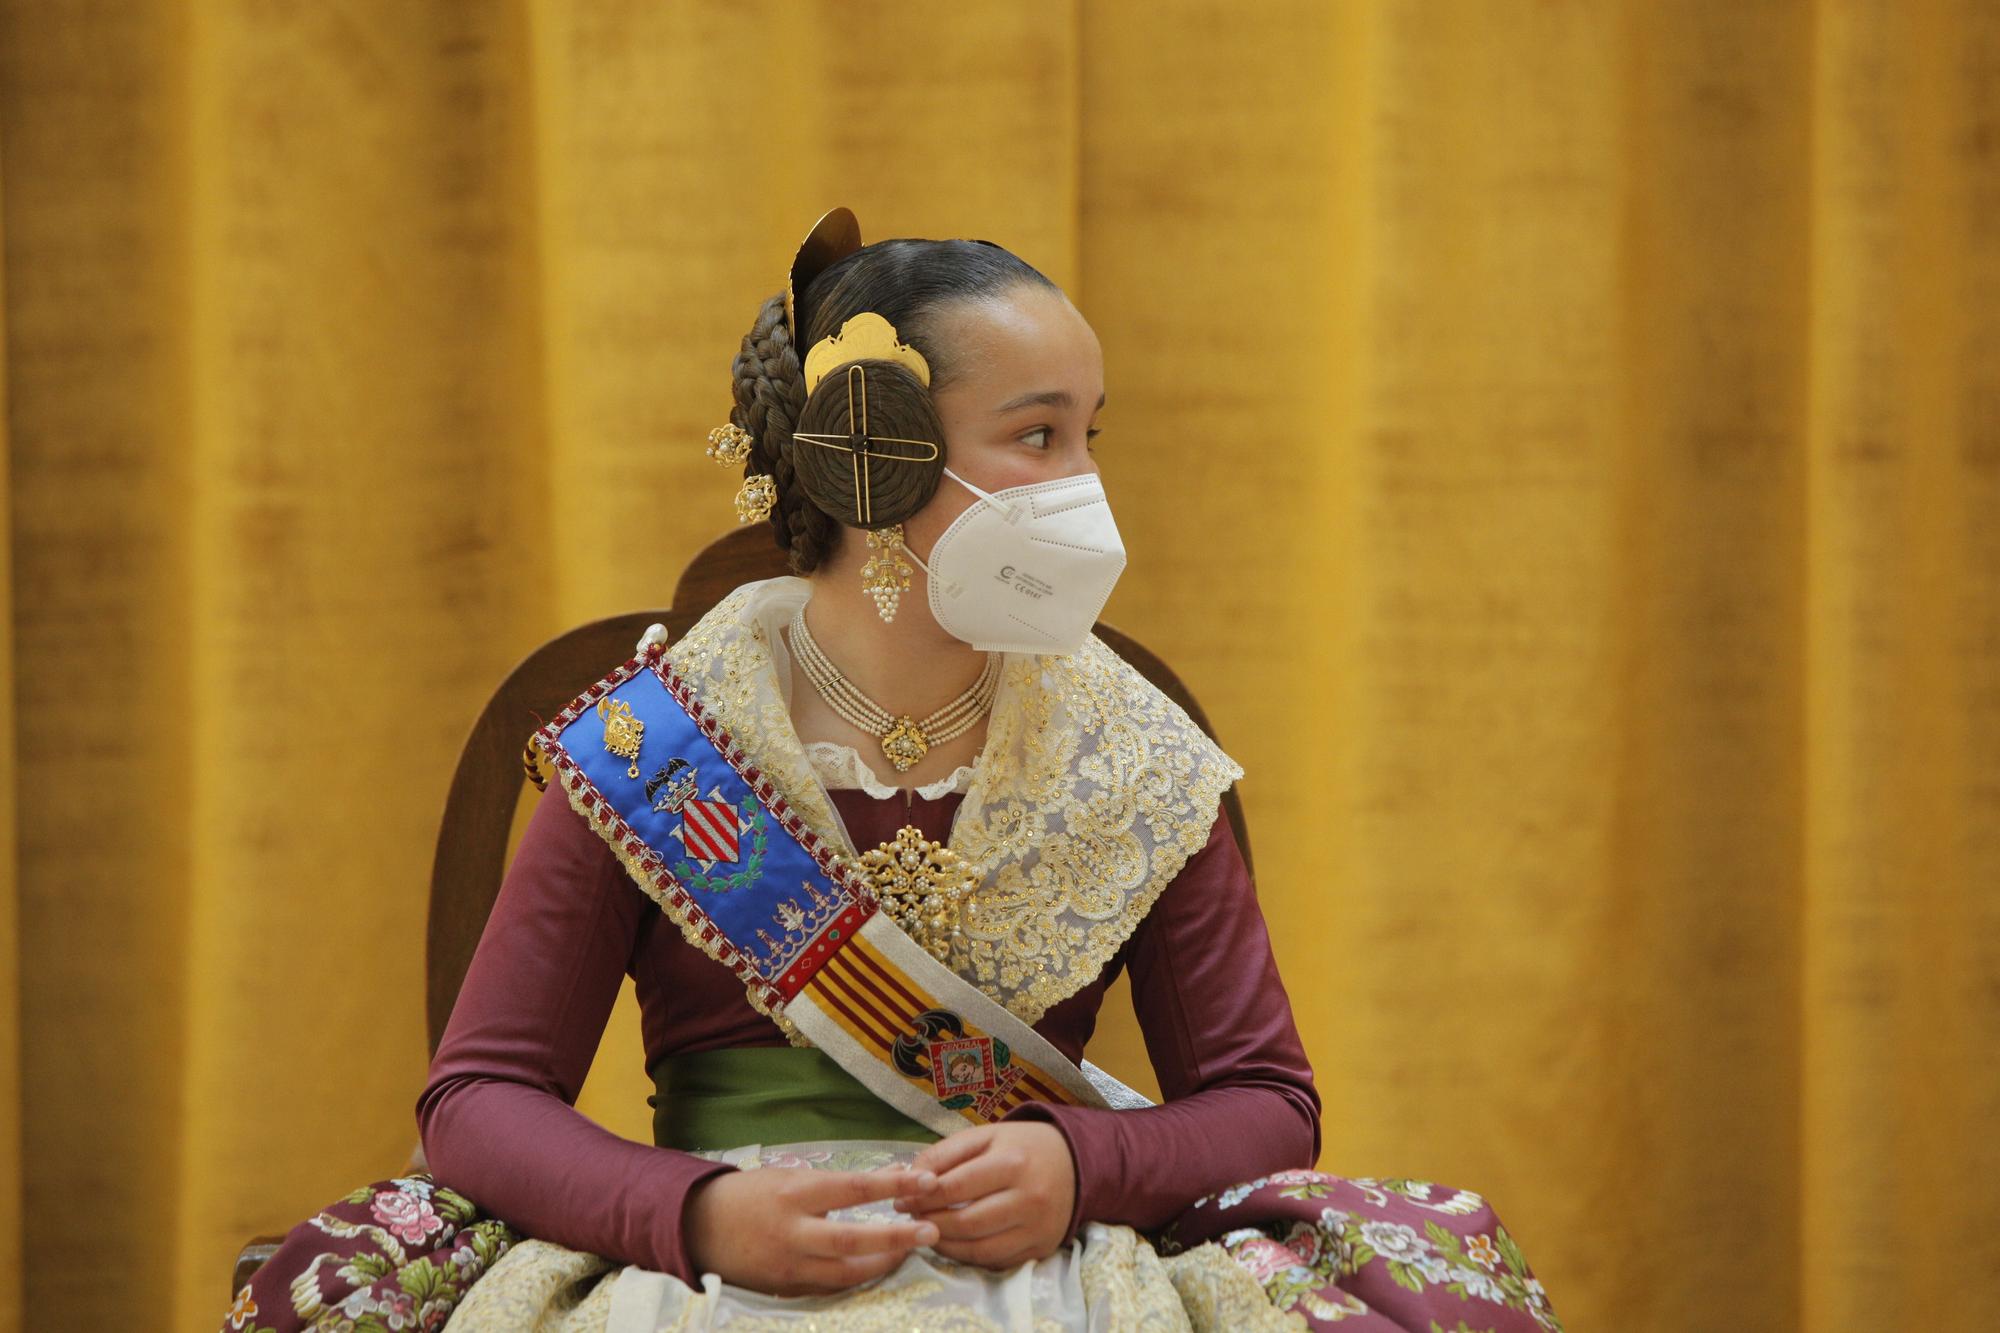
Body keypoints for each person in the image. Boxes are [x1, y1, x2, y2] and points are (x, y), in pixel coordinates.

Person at [224, 209, 1562, 1332]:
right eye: (1039, 437)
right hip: (708, 1271)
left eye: (1095, 434)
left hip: (1052, 1266)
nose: (1084, 482)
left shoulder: (1130, 749)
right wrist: (693, 1213)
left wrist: (1080, 1161)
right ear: (878, 454)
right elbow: (478, 1103)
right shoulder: (660, 735)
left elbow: (1268, 1104)